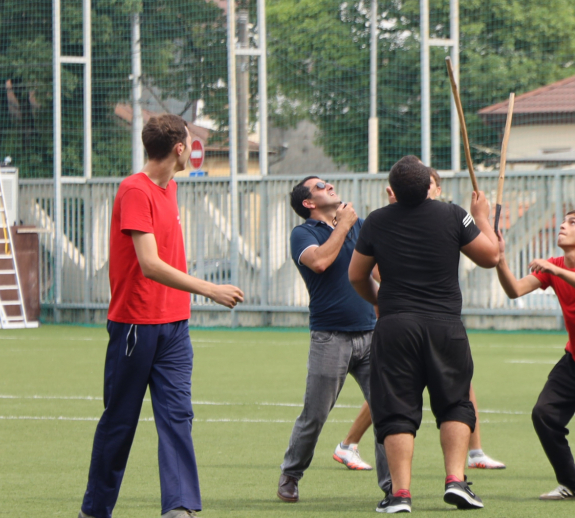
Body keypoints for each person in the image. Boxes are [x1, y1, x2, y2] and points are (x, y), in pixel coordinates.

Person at [78, 114, 244, 518]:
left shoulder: (169, 189)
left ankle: (180, 507)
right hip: (136, 327)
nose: (194, 147)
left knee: (177, 418)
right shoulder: (134, 190)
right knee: (120, 424)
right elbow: (149, 265)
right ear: (179, 148)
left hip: (174, 328)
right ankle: (95, 510)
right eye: (191, 141)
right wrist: (210, 289)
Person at [349, 155, 500, 513]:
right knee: (455, 403)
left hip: (396, 325)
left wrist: (380, 302)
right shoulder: (452, 214)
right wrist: (481, 216)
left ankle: (400, 495)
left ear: (393, 191)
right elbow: (492, 256)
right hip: (444, 324)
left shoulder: (376, 220)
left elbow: (357, 275)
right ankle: (456, 481)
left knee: (397, 409)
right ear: (430, 186)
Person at [494, 210, 575, 503]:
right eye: (563, 222)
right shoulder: (553, 266)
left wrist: (555, 272)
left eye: (572, 223)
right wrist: (500, 259)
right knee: (544, 415)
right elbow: (515, 290)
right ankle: (571, 484)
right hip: (574, 360)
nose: (562, 226)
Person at [277, 177, 391, 503]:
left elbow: (379, 269)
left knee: (386, 411)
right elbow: (321, 261)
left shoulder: (358, 226)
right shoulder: (304, 234)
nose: (329, 186)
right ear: (308, 204)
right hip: (330, 337)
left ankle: (392, 487)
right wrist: (343, 226)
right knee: (315, 415)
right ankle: (291, 473)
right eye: (320, 186)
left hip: (371, 334)